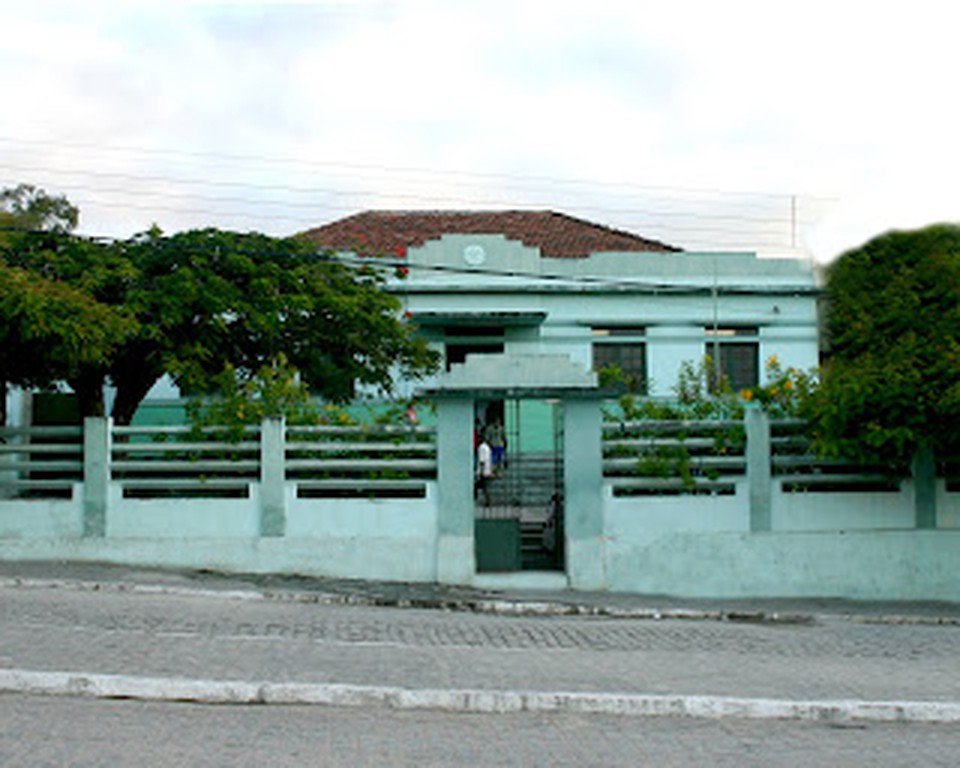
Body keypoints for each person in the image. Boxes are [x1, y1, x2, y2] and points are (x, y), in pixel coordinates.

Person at [476, 436, 494, 506]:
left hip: (483, 471)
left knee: (484, 487)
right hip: (487, 470)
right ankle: (488, 500)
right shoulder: (487, 448)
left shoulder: (481, 448)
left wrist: (481, 471)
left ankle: (488, 501)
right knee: (485, 487)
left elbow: (482, 460)